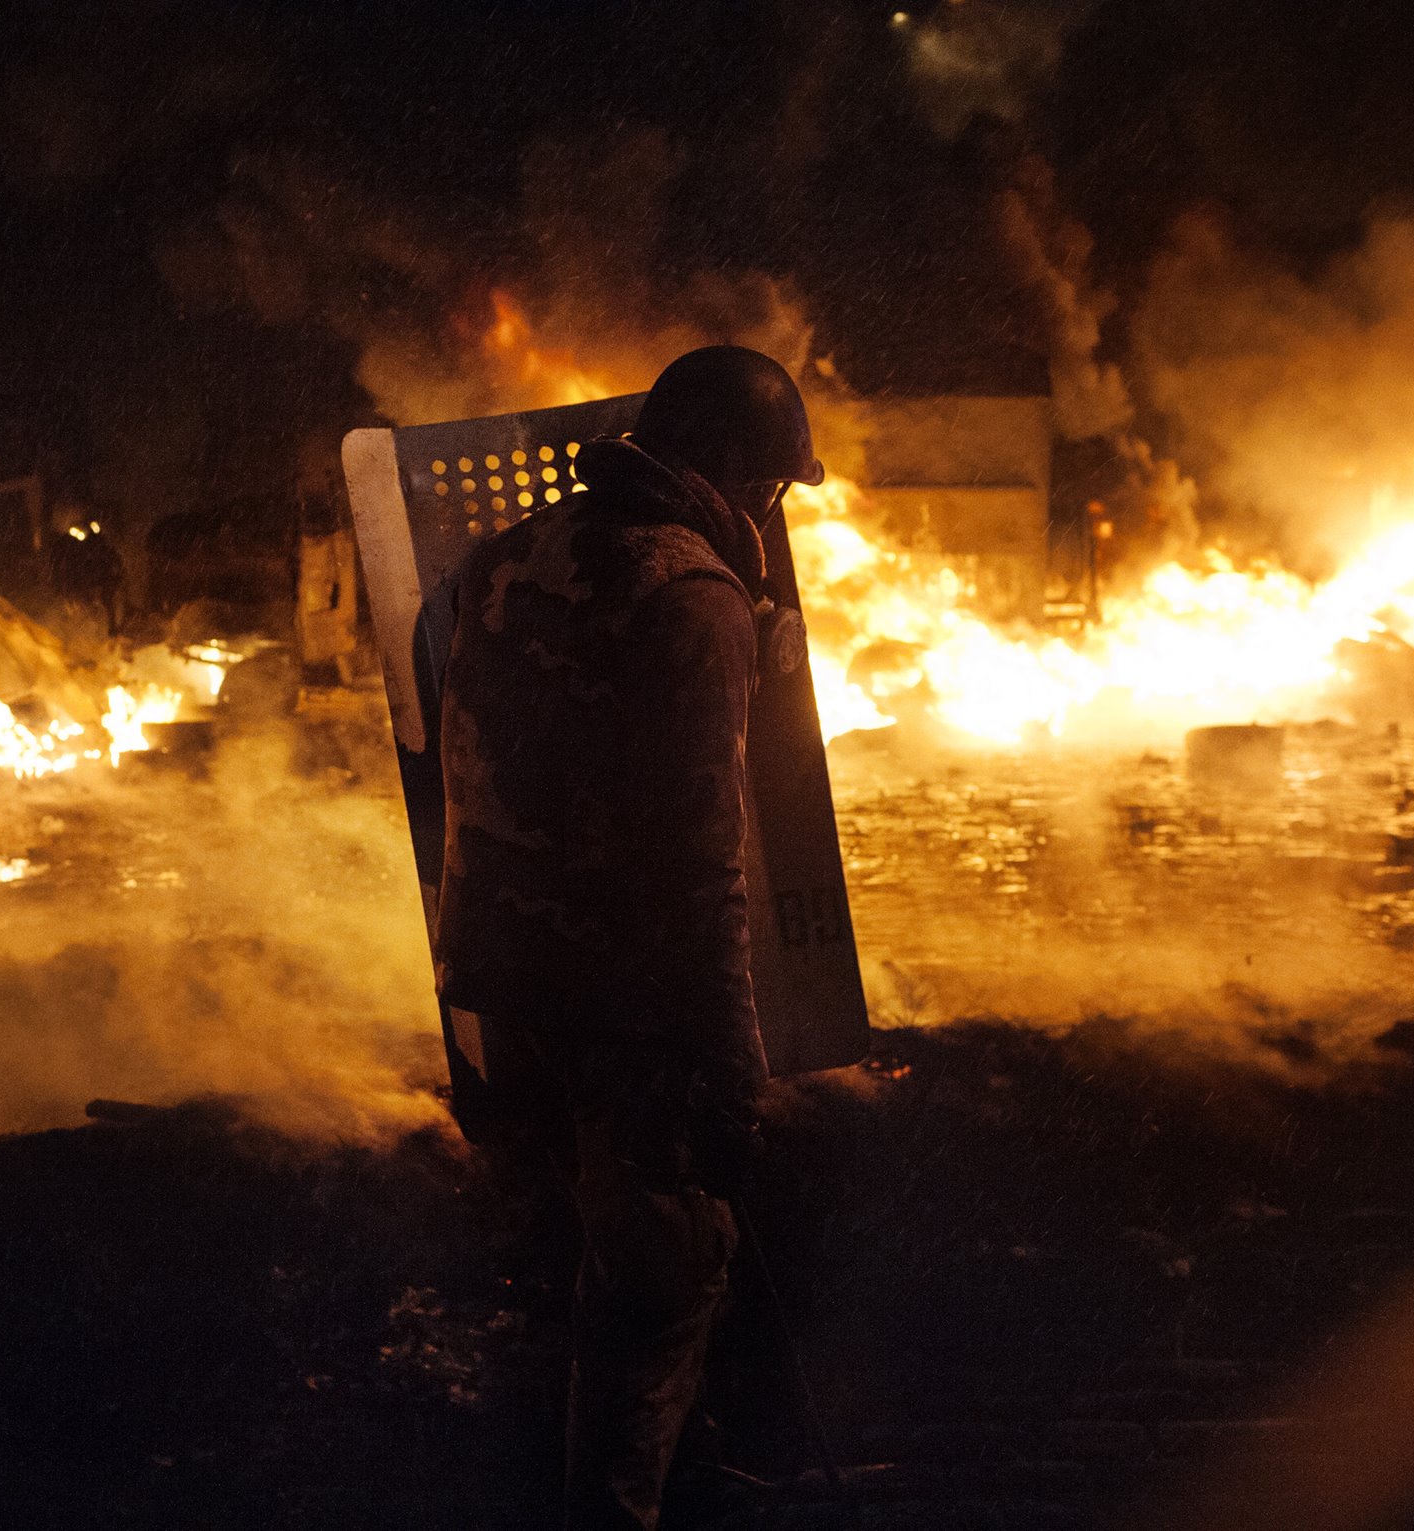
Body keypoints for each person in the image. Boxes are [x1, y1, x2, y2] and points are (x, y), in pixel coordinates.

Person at [434, 346, 825, 1529]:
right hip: (626, 1002)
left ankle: (672, 1465)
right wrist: (732, 1071)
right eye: (767, 488)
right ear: (731, 473)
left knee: (582, 1247)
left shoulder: (507, 555)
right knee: (660, 1283)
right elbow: (701, 867)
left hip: (505, 981)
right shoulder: (694, 597)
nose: (765, 513)